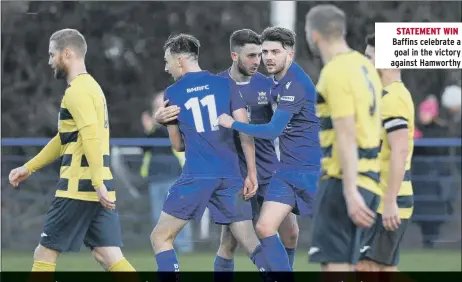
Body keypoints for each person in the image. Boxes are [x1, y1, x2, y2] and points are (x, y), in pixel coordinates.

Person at [8, 29, 135, 272]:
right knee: (107, 255)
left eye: (51, 54)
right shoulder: (93, 87)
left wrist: (97, 183)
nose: (49, 61)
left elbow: (90, 136)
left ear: (67, 53)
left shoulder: (77, 91)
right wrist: (29, 167)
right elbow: (65, 139)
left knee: (44, 253)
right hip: (98, 187)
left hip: (78, 188)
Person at [150, 33, 267, 273]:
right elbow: (246, 131)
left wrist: (163, 121)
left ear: (180, 60)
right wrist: (252, 173)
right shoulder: (227, 84)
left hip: (197, 176)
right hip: (231, 175)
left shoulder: (173, 93)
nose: (166, 67)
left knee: (160, 237)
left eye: (167, 61)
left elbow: (178, 146)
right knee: (249, 241)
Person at [218, 26, 321, 272]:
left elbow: (273, 129)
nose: (268, 57)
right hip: (285, 170)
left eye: (276, 51)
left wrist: (234, 123)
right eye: (265, 52)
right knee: (263, 229)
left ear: (290, 54)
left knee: (316, 234)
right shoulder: (275, 82)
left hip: (310, 169)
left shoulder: (294, 84)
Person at [304, 5, 382, 272]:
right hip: (370, 178)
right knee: (347, 266)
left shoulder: (335, 71)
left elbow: (346, 133)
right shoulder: (365, 65)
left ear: (314, 35)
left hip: (344, 180)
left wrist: (349, 190)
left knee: (335, 268)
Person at [355, 33, 415, 272]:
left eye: (370, 57)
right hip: (382, 198)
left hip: (390, 200)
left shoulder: (394, 99)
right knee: (382, 270)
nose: (365, 62)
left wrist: (390, 202)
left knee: (365, 267)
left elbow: (400, 152)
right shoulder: (385, 95)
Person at [140, 91, 192, 253]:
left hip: (174, 176)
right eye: (156, 106)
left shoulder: (174, 123)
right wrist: (148, 130)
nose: (159, 108)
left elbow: (169, 139)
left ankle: (185, 247)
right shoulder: (152, 130)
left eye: (162, 104)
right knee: (158, 216)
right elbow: (144, 147)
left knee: (178, 214)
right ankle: (164, 246)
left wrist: (153, 127)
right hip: (155, 177)